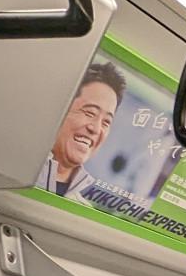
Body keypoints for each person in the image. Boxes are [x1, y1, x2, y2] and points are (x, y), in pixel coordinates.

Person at [35, 61, 126, 199]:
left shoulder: (80, 206)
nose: (96, 129)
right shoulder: (14, 173)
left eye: (106, 122)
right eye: (90, 113)